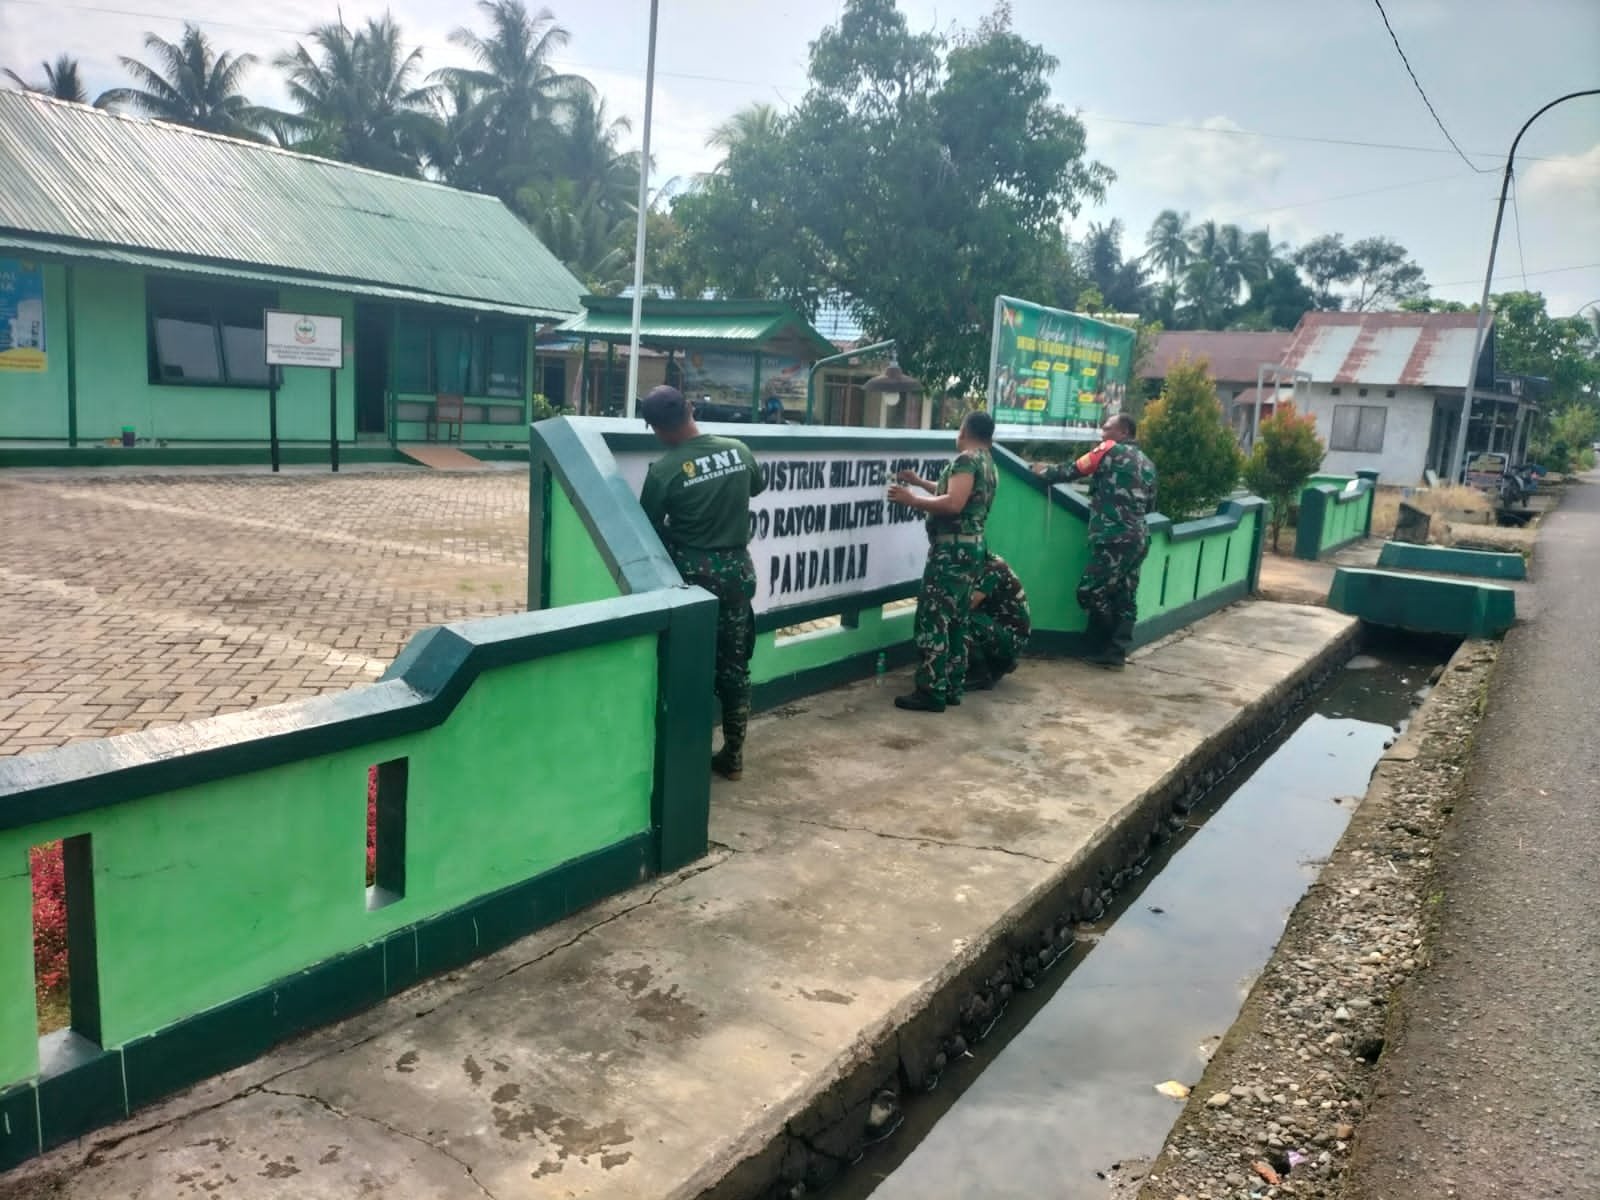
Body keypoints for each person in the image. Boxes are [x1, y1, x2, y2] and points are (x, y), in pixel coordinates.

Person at [639, 386, 765, 780]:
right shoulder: (739, 450)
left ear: (657, 429)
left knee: (689, 665)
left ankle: (687, 759)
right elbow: (756, 487)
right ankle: (734, 756)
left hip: (693, 578)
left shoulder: (663, 472)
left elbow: (647, 527)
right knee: (734, 666)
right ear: (691, 409)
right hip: (738, 572)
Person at [887, 411, 998, 711]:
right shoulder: (987, 462)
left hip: (952, 553)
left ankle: (930, 691)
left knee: (933, 618)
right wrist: (919, 482)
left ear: (964, 431)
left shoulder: (965, 459)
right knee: (957, 620)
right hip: (971, 550)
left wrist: (911, 500)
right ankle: (951, 686)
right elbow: (951, 491)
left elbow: (952, 502)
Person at [1032, 412, 1157, 669]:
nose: (1102, 431)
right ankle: (1116, 652)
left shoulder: (1108, 450)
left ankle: (1104, 642)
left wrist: (1044, 472)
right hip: (1140, 538)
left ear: (1123, 432)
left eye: (1107, 427)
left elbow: (1074, 469)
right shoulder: (1148, 463)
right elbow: (1152, 505)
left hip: (1113, 536)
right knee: (1125, 595)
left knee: (1090, 591)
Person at [965, 553, 1031, 690]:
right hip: (999, 629)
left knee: (961, 618)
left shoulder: (992, 568)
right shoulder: (979, 562)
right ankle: (996, 662)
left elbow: (968, 605)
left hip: (1011, 637)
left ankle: (981, 673)